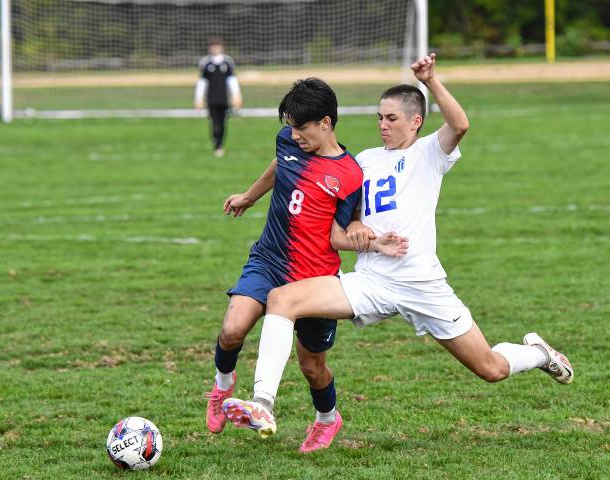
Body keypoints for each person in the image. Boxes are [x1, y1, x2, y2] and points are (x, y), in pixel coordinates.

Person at [223, 53, 574, 453]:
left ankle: (538, 353)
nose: (382, 124)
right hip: (371, 280)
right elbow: (346, 223)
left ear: (416, 121)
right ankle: (264, 404)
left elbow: (460, 124)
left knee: (490, 369)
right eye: (379, 117)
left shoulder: (429, 154)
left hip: (421, 283)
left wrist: (432, 81)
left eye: (391, 118)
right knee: (282, 298)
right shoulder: (364, 160)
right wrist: (357, 229)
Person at [205, 77, 408, 444]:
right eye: (290, 127)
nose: (294, 135)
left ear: (326, 123)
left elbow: (337, 235)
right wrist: (250, 196)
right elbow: (279, 165)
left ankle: (327, 418)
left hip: (314, 278)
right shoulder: (287, 141)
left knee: (312, 367)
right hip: (269, 260)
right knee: (232, 330)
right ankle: (222, 388)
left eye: (302, 128)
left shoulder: (348, 175)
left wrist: (370, 241)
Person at [195, 37, 242, 157]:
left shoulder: (227, 62)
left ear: (221, 47)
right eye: (212, 46)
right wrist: (198, 98)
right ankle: (217, 145)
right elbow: (202, 82)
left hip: (224, 98)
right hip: (211, 99)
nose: (215, 48)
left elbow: (232, 81)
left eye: (217, 46)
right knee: (214, 122)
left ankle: (221, 144)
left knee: (223, 122)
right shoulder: (206, 63)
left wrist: (237, 96)